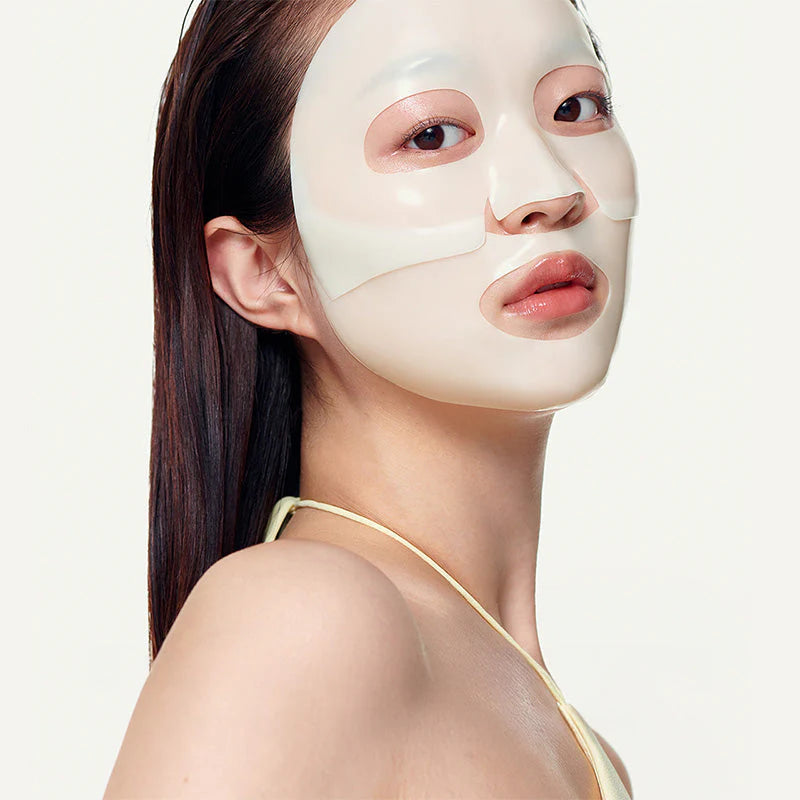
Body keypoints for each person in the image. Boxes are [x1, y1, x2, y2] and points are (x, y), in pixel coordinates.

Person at [105, 0, 638, 796]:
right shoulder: (298, 618)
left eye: (573, 107)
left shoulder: (576, 740)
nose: (550, 191)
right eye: (431, 134)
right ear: (263, 273)